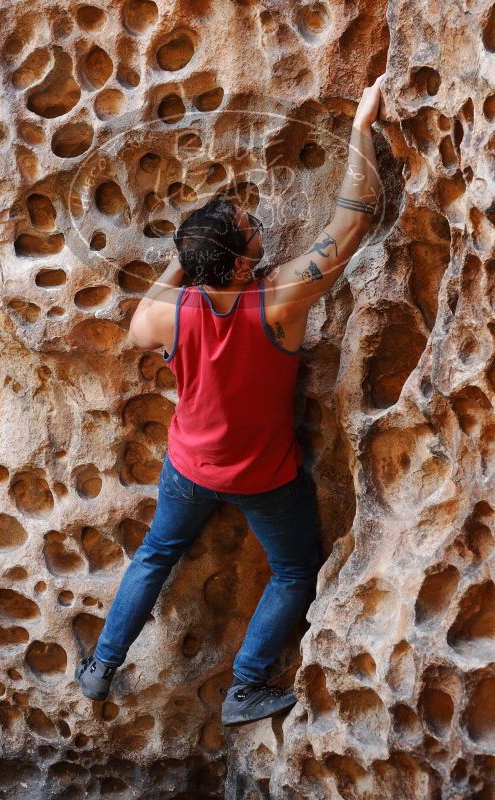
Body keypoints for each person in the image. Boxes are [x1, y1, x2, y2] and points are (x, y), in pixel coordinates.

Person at [75, 73, 385, 725]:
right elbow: (353, 220)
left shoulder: (169, 315)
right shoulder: (279, 301)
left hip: (188, 470)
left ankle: (103, 665)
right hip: (265, 478)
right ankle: (245, 685)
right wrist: (359, 130)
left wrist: (182, 265)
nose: (256, 224)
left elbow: (139, 321)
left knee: (156, 555)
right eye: (248, 230)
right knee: (296, 569)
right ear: (243, 264)